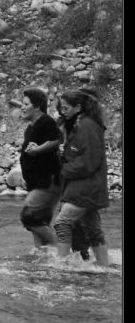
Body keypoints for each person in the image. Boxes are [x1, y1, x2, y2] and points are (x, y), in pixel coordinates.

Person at [52, 88, 111, 266]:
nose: (62, 111)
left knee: (62, 222)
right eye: (61, 108)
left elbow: (88, 162)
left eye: (65, 108)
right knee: (93, 229)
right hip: (89, 186)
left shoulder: (87, 126)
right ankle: (103, 266)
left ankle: (60, 266)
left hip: (87, 186)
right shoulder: (81, 124)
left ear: (78, 107)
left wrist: (62, 170)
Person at [17, 87, 63, 249]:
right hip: (37, 182)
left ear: (37, 106)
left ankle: (62, 252)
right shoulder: (31, 127)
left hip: (48, 181)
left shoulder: (46, 121)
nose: (22, 107)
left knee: (29, 217)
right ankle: (43, 258)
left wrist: (37, 150)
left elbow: (57, 140)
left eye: (25, 104)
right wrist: (26, 177)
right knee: (39, 222)